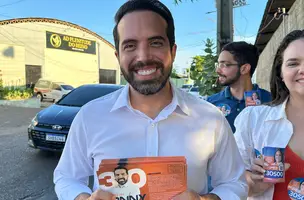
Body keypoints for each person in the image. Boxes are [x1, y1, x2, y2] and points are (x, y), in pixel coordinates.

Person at [53, 1, 248, 200]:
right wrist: (82, 199)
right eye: (130, 46)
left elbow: (234, 183)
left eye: (155, 43)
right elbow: (67, 177)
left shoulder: (210, 119)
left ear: (172, 51)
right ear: (118, 56)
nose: (143, 56)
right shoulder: (90, 117)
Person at [234, 30, 304, 199]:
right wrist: (250, 183)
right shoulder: (252, 119)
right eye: (293, 63)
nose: (303, 69)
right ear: (280, 72)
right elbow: (228, 181)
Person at [207, 41, 271, 133]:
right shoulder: (210, 104)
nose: (218, 70)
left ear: (244, 69)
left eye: (225, 64)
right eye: (218, 64)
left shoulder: (271, 102)